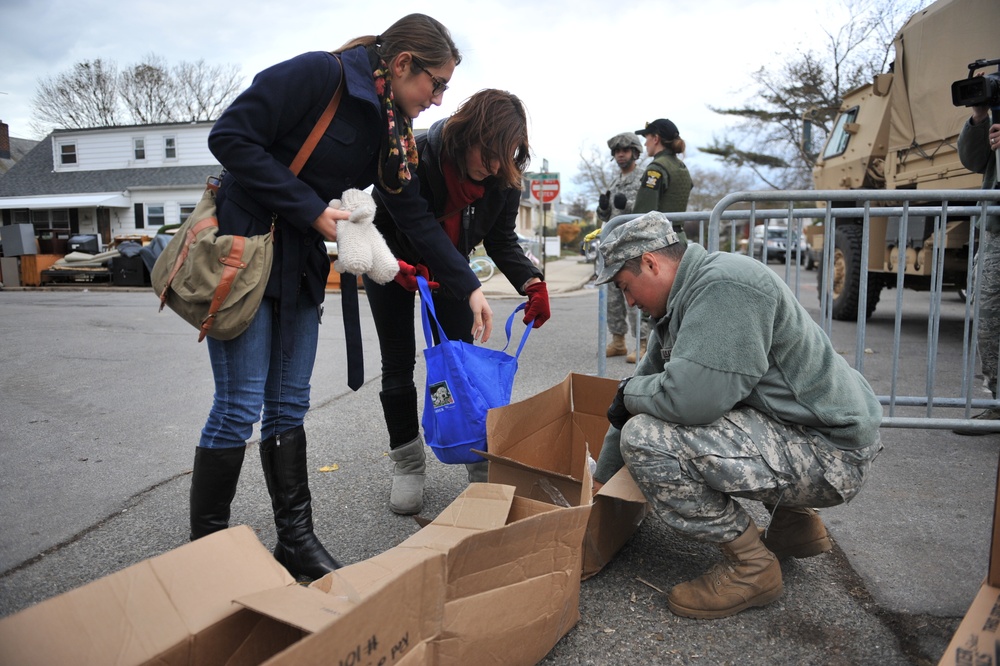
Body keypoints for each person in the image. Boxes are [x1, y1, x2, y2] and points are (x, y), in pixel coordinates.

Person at [189, 14, 478, 582]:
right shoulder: (318, 76)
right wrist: (309, 208)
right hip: (246, 251)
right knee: (241, 404)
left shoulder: (391, 128)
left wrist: (469, 289)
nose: (439, 99)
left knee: (290, 405)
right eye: (435, 84)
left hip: (299, 261)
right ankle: (205, 549)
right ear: (401, 65)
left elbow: (413, 215)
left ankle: (295, 541)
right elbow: (228, 137)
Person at [592, 212, 883, 619]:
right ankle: (795, 527)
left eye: (626, 286)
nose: (630, 302)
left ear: (651, 263)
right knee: (666, 411)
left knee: (647, 438)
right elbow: (637, 393)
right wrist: (599, 485)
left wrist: (628, 396)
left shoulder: (725, 287)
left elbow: (689, 401)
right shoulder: (686, 298)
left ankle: (751, 567)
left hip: (833, 455)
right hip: (810, 432)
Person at [365, 88, 549, 516]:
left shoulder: (503, 175)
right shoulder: (417, 153)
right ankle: (407, 465)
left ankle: (479, 464)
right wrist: (406, 267)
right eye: (489, 155)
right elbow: (409, 224)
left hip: (451, 273)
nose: (495, 168)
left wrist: (531, 281)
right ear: (469, 136)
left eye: (505, 158)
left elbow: (501, 240)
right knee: (397, 365)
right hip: (392, 263)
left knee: (462, 365)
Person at [623, 118, 692, 363]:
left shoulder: (656, 169)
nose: (645, 143)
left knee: (656, 304)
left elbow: (644, 214)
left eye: (647, 137)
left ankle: (657, 356)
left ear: (656, 138)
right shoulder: (681, 168)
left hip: (658, 245)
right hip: (680, 242)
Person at [954, 99, 1000, 433]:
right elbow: (973, 160)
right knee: (988, 317)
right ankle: (998, 403)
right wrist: (979, 118)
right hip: (997, 229)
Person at [597, 132, 648, 363]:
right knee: (613, 297)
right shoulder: (615, 181)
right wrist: (603, 208)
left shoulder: (642, 178)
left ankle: (644, 344)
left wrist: (626, 205)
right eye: (617, 151)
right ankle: (618, 341)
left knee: (636, 295)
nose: (620, 155)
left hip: (634, 246)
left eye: (625, 151)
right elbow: (608, 216)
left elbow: (647, 211)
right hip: (615, 246)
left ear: (635, 153)